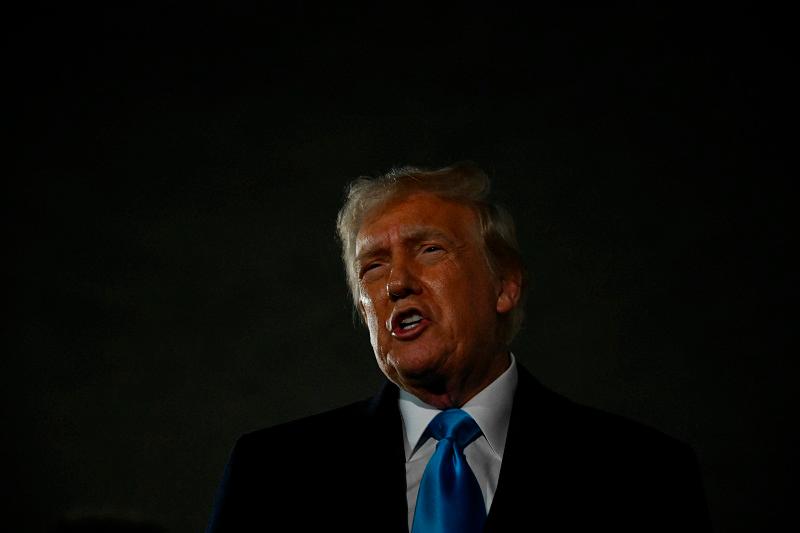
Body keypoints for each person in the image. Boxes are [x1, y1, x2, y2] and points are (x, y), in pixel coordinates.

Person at [206, 162, 711, 532]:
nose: (396, 283)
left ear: (504, 285)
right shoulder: (270, 475)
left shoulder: (644, 474)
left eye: (429, 250)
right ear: (365, 311)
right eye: (373, 266)